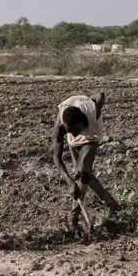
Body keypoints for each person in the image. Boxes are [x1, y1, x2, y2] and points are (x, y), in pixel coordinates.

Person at [51, 93, 121, 234]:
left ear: (82, 122)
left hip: (91, 137)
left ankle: (73, 217)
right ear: (65, 126)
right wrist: (70, 183)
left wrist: (87, 99)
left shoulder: (93, 112)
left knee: (82, 173)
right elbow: (56, 157)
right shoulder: (61, 126)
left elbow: (100, 95)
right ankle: (112, 204)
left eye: (76, 130)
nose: (75, 133)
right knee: (82, 175)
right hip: (73, 144)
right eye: (70, 131)